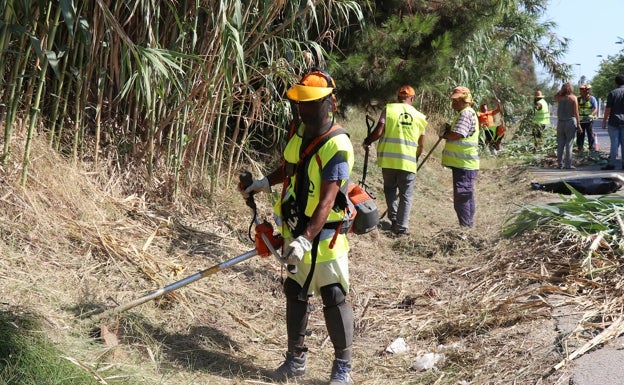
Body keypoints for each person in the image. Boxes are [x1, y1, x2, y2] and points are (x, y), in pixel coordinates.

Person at [241, 68, 355, 384]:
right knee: (295, 292)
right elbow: (290, 166)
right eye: (301, 103)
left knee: (333, 296)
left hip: (324, 236)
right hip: (295, 228)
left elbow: (328, 199)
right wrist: (264, 182)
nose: (303, 109)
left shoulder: (338, 144)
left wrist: (306, 238)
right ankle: (295, 361)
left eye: (311, 103)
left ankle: (342, 368)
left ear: (330, 102)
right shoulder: (297, 129)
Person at [362, 85, 428, 236]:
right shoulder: (420, 117)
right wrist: (415, 158)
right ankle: (402, 227)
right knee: (406, 194)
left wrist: (367, 141)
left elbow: (378, 132)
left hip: (389, 160)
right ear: (412, 99)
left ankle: (393, 219)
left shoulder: (389, 110)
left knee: (390, 189)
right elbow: (421, 144)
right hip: (408, 162)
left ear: (399, 98)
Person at [440, 86, 479, 228]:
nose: (453, 103)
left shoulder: (466, 113)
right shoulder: (466, 113)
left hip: (464, 163)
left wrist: (445, 135)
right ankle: (468, 226)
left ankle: (466, 228)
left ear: (465, 99)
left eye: (457, 100)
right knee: (466, 196)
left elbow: (458, 134)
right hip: (464, 163)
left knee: (462, 197)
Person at [553, 82, 582, 169]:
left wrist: (561, 90)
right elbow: (576, 112)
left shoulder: (559, 98)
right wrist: (578, 124)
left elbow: (555, 96)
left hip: (560, 123)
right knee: (569, 144)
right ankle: (568, 165)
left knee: (560, 143)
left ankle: (559, 164)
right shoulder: (573, 98)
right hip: (570, 122)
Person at [601, 74, 624, 170]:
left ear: (615, 83)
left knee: (614, 143)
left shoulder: (613, 93)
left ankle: (612, 164)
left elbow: (608, 109)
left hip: (614, 122)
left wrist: (604, 121)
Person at [576, 84, 598, 153]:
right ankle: (580, 148)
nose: (585, 92)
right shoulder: (578, 99)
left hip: (589, 120)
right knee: (580, 135)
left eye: (586, 91)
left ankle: (591, 148)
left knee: (590, 134)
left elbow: (595, 108)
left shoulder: (592, 98)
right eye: (582, 91)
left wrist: (592, 114)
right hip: (580, 120)